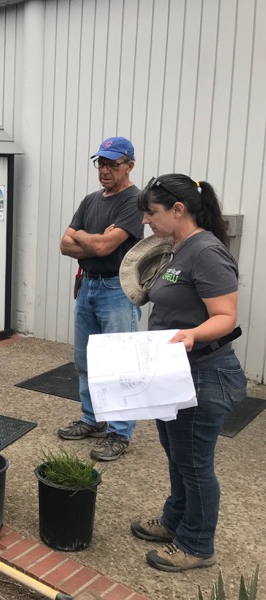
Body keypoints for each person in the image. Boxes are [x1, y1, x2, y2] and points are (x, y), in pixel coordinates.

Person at [130, 174, 246, 572]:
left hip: (204, 375)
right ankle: (174, 520)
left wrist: (193, 334)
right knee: (177, 453)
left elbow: (226, 318)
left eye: (153, 212)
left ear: (179, 210)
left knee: (194, 461)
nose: (146, 220)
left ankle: (197, 544)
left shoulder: (207, 252)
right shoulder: (178, 248)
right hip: (174, 373)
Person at [58, 137, 144, 461]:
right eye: (101, 163)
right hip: (89, 286)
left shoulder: (134, 202)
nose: (104, 170)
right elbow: (65, 244)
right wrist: (88, 239)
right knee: (85, 360)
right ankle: (92, 420)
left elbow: (106, 248)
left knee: (121, 365)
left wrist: (82, 237)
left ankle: (119, 433)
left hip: (117, 290)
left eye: (112, 164)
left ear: (129, 166)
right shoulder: (91, 200)